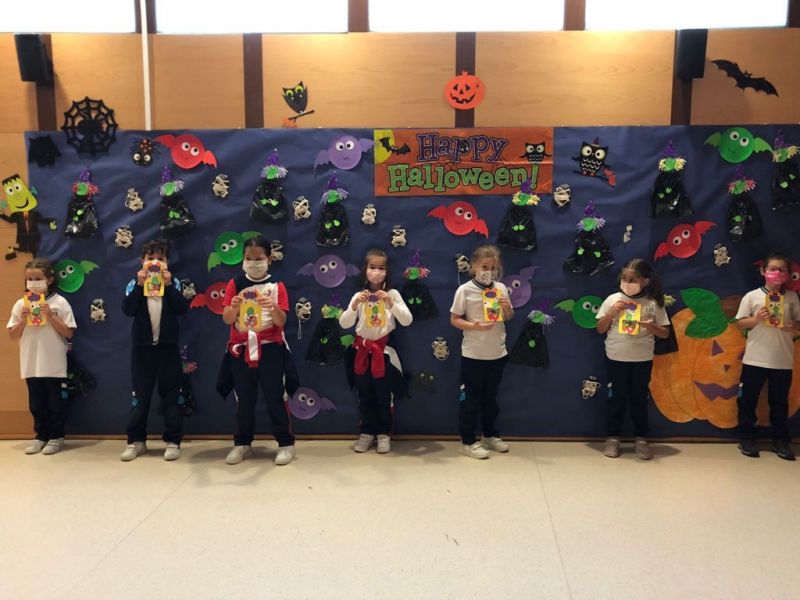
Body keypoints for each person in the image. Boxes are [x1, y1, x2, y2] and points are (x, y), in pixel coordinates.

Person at [222, 235, 296, 466]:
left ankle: (285, 443)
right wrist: (233, 307)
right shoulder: (235, 284)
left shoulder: (276, 286)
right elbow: (227, 319)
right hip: (241, 350)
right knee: (244, 398)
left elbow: (281, 321)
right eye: (249, 259)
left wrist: (272, 306)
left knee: (275, 396)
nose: (253, 263)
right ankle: (242, 443)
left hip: (270, 349)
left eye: (259, 259)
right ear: (243, 260)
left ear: (269, 259)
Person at [120, 239, 189, 461]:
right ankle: (136, 441)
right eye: (151, 258)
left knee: (171, 396)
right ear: (142, 261)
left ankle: (173, 441)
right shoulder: (134, 283)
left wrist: (168, 286)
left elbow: (181, 308)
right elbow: (128, 310)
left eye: (161, 258)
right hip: (142, 350)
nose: (155, 263)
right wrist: (140, 286)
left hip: (167, 348)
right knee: (140, 396)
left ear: (167, 262)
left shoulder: (173, 282)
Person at [596, 258, 670, 460]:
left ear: (645, 281)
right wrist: (612, 312)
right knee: (616, 398)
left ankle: (641, 438)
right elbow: (600, 328)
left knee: (639, 398)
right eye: (624, 278)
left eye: (633, 279)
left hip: (642, 359)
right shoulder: (612, 299)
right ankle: (613, 437)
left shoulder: (653, 303)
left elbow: (665, 333)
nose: (627, 283)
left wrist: (650, 326)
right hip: (616, 357)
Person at [339, 248, 412, 454]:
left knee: (383, 396)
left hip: (383, 354)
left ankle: (383, 433)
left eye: (381, 268)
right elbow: (344, 324)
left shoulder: (392, 294)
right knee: (364, 395)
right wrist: (354, 305)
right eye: (372, 267)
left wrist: (390, 303)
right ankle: (367, 432)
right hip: (361, 353)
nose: (377, 272)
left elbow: (407, 320)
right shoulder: (359, 295)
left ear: (387, 271)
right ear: (365, 270)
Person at [449, 244, 513, 459]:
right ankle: (467, 441)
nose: (489, 272)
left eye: (493, 268)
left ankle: (489, 435)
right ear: (474, 267)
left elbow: (509, 316)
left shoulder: (501, 288)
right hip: (474, 354)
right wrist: (473, 326)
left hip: (497, 353)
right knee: (470, 399)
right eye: (485, 267)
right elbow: (454, 319)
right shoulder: (465, 290)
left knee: (491, 399)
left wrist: (507, 308)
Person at [735, 251, 800, 460]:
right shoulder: (752, 296)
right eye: (773, 269)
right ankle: (746, 437)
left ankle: (780, 441)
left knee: (780, 403)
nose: (777, 273)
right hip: (755, 358)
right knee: (748, 400)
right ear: (763, 271)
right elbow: (739, 324)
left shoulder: (792, 297)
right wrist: (755, 319)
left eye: (782, 270)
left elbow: (798, 324)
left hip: (782, 360)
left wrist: (792, 326)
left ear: (788, 274)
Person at [7, 258, 76, 455]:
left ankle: (56, 436)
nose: (33, 283)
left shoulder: (60, 302)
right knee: (36, 403)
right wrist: (23, 320)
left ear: (49, 279)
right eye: (29, 279)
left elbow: (69, 333)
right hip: (31, 362)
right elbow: (12, 334)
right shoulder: (20, 304)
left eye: (37, 279)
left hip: (54, 363)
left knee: (56, 403)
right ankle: (40, 436)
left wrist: (51, 316)